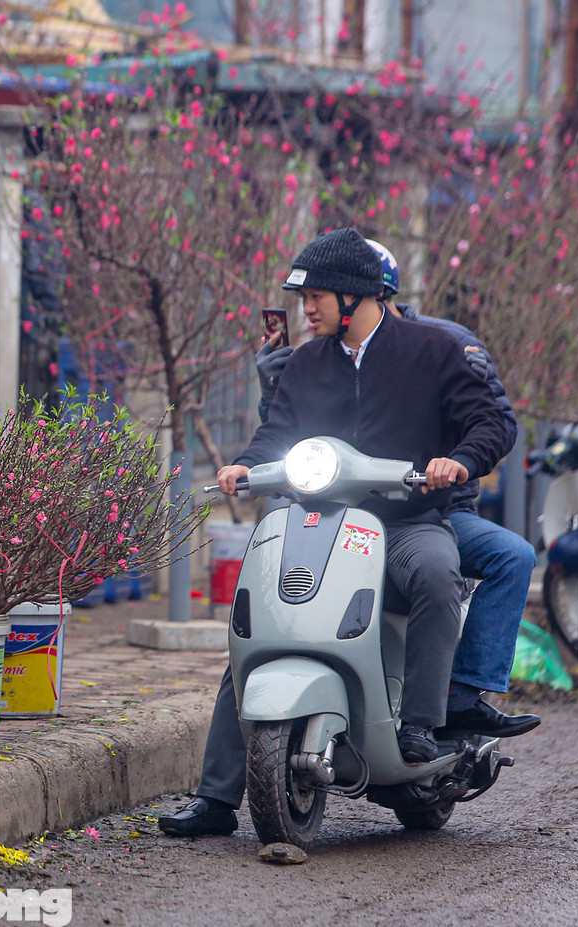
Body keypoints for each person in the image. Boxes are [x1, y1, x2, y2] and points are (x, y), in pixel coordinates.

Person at [161, 228, 511, 837]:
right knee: (263, 619)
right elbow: (279, 431)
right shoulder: (305, 362)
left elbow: (489, 423)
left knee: (436, 573)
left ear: (355, 297)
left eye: (316, 296)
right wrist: (248, 462)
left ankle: (421, 728)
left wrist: (459, 461)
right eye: (304, 298)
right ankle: (217, 798)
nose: (307, 309)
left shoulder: (433, 350)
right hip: (320, 520)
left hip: (406, 523)